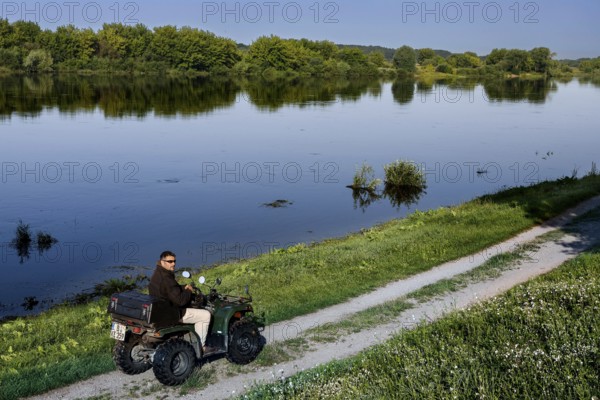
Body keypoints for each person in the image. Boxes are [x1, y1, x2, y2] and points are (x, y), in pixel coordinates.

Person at [149, 250, 212, 350]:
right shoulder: (166, 278)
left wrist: (183, 288)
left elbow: (170, 290)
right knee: (205, 315)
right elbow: (181, 301)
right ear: (162, 261)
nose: (173, 264)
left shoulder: (157, 274)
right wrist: (189, 291)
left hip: (160, 310)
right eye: (170, 261)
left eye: (174, 261)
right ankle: (200, 347)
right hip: (172, 313)